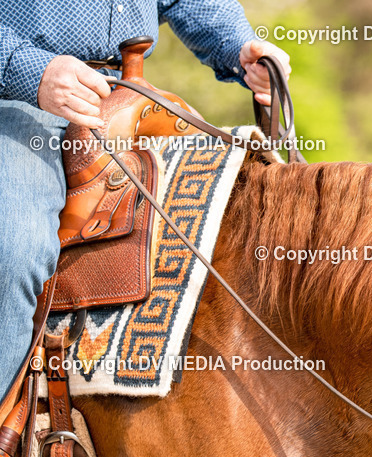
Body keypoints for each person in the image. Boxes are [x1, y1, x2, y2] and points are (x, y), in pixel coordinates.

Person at [0, 1, 291, 400]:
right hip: (20, 99)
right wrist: (30, 71)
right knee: (14, 248)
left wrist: (240, 46)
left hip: (134, 94)